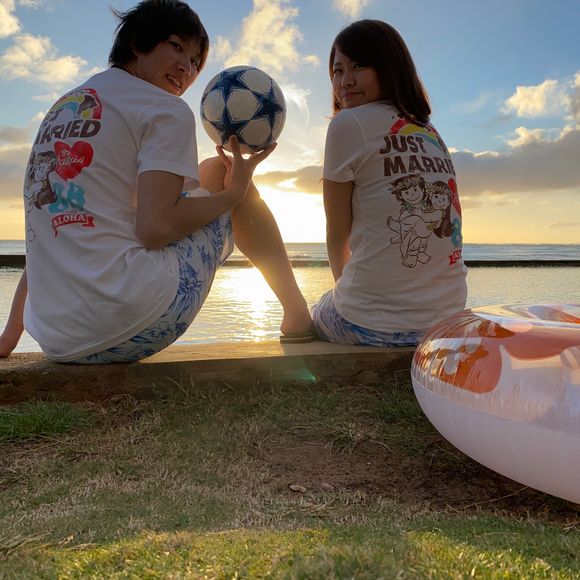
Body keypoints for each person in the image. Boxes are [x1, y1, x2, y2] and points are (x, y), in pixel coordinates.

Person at [0, 0, 314, 363]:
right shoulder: (165, 108)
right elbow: (155, 229)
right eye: (176, 47)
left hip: (58, 340)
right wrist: (234, 193)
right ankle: (297, 315)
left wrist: (10, 335)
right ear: (137, 42)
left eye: (195, 61)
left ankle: (11, 333)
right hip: (131, 323)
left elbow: (49, 231)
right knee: (224, 175)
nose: (186, 68)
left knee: (209, 172)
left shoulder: (63, 108)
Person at [311, 19, 467, 346]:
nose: (345, 81)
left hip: (371, 326)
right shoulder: (428, 130)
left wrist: (346, 297)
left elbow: (337, 232)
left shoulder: (347, 123)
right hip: (446, 321)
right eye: (338, 71)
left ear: (389, 67)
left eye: (359, 66)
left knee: (316, 311)